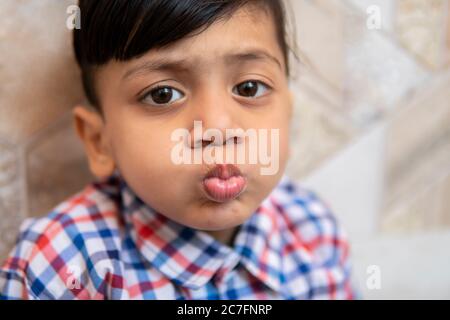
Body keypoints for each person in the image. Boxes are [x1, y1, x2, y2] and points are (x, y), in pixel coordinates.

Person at [0, 0, 356, 299]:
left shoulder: (313, 233)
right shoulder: (64, 263)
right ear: (99, 141)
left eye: (249, 88)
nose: (216, 128)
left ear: (288, 118)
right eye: (162, 94)